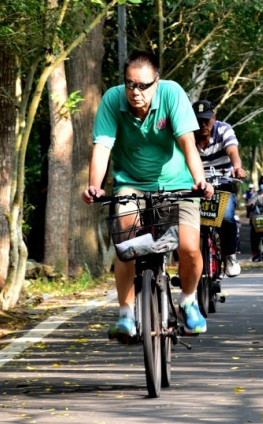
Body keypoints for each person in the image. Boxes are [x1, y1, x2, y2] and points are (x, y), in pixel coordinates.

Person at [83, 51, 214, 339]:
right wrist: (95, 185)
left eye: (143, 85)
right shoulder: (112, 100)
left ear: (157, 82)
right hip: (130, 182)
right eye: (130, 84)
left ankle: (189, 301)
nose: (135, 92)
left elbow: (187, 143)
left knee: (189, 247)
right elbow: (102, 147)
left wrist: (200, 181)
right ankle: (126, 315)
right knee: (126, 244)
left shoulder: (172, 94)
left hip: (177, 183)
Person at [193, 99, 247, 277]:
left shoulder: (224, 129)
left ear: (214, 118)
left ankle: (229, 256)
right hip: (194, 185)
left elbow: (233, 152)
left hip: (221, 182)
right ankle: (186, 263)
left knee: (228, 218)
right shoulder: (187, 134)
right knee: (185, 222)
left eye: (206, 120)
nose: (202, 125)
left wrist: (237, 167)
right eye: (198, 120)